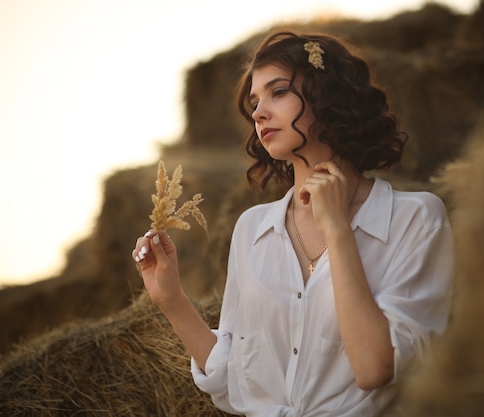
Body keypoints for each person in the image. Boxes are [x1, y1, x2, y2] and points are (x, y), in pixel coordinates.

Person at [132, 30, 454, 416]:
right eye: (254, 102)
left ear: (326, 93)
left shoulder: (415, 218)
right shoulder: (252, 230)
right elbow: (236, 382)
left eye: (278, 92)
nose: (258, 112)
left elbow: (375, 368)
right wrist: (171, 300)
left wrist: (337, 230)